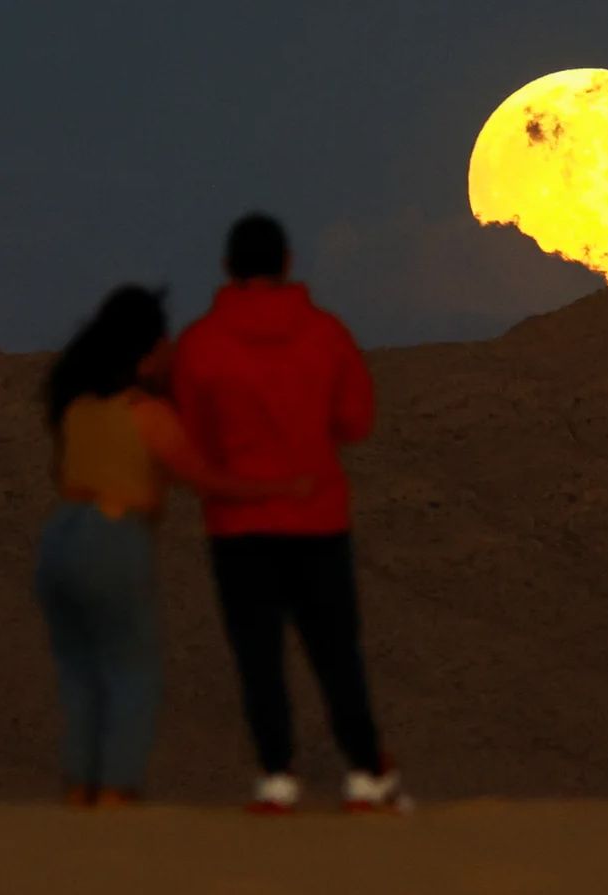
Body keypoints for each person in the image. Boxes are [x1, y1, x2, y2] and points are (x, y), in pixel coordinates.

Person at [36, 285, 306, 810]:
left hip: (62, 537)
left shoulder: (75, 409)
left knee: (81, 672)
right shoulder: (147, 416)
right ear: (144, 352)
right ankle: (114, 790)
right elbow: (206, 478)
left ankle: (80, 787)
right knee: (131, 671)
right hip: (114, 536)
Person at [171, 213, 406, 814]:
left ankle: (277, 778)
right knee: (335, 653)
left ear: (228, 268)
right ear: (288, 263)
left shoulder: (200, 345)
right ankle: (364, 776)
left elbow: (192, 437)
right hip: (318, 521)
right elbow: (356, 422)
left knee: (259, 658)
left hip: (239, 527)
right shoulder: (326, 336)